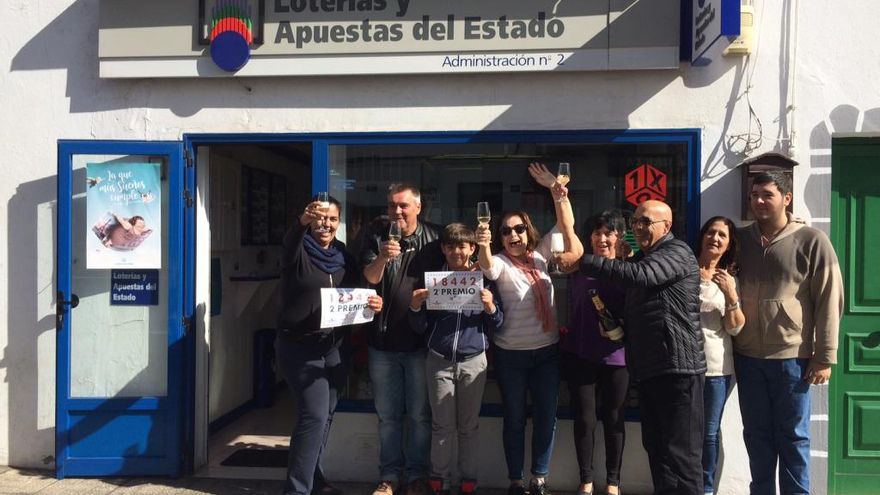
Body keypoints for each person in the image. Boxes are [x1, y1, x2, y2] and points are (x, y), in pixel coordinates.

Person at [575, 199, 705, 495]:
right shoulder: (644, 259)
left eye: (646, 222)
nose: (638, 227)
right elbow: (640, 291)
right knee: (657, 450)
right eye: (635, 222)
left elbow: (642, 276)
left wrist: (583, 260)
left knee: (682, 457)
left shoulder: (677, 252)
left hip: (678, 369)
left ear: (667, 226)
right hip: (649, 369)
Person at [475, 163, 584, 495]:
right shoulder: (500, 262)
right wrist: (483, 243)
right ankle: (515, 481)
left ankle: (539, 478)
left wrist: (558, 193)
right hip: (511, 356)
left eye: (519, 229)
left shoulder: (541, 257)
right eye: (506, 231)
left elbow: (567, 227)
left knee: (546, 418)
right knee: (515, 420)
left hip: (547, 354)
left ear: (528, 230)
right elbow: (486, 268)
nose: (513, 236)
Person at [733, 171, 843, 494]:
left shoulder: (812, 240)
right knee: (756, 437)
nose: (758, 201)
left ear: (786, 198)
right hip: (748, 357)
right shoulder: (741, 241)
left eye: (767, 194)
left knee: (794, 438)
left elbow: (829, 299)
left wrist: (824, 357)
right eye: (754, 195)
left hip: (792, 360)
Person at [276, 195, 384, 495]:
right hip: (299, 346)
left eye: (332, 218)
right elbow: (289, 243)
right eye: (319, 217)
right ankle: (297, 489)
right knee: (314, 415)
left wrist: (371, 302)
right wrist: (300, 222)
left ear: (339, 223)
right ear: (310, 219)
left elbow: (357, 290)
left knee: (326, 415)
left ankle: (315, 479)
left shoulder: (342, 254)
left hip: (334, 346)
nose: (326, 223)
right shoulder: (298, 251)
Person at [408, 223, 504, 495]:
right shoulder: (434, 280)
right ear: (443, 249)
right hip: (439, 359)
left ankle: (468, 480)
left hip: (474, 360)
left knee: (469, 426)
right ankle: (439, 480)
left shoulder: (485, 278)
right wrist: (415, 306)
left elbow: (499, 322)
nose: (456, 251)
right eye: (450, 246)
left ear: (472, 248)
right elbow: (419, 326)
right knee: (441, 425)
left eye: (462, 246)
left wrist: (491, 307)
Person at [361, 184, 443, 495]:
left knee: (421, 416)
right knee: (388, 417)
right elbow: (369, 277)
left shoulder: (435, 237)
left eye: (403, 206)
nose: (397, 211)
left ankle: (418, 476)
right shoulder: (377, 237)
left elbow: (459, 267)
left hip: (422, 343)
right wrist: (382, 257)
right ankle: (389, 476)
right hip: (382, 344)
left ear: (418, 208)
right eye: (392, 205)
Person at [560, 211, 629, 495]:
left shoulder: (629, 269)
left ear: (619, 237)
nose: (602, 238)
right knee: (585, 419)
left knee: (614, 419)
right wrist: (559, 194)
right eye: (597, 233)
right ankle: (586, 479)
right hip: (581, 352)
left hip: (619, 356)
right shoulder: (579, 266)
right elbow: (567, 228)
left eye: (608, 233)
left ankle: (613, 481)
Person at [694, 216, 745, 495]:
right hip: (684, 365)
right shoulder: (685, 270)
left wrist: (731, 294)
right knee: (683, 432)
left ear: (728, 245)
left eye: (721, 236)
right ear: (702, 236)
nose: (715, 238)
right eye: (711, 233)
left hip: (715, 368)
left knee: (708, 433)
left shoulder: (729, 280)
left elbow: (735, 328)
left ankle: (706, 489)